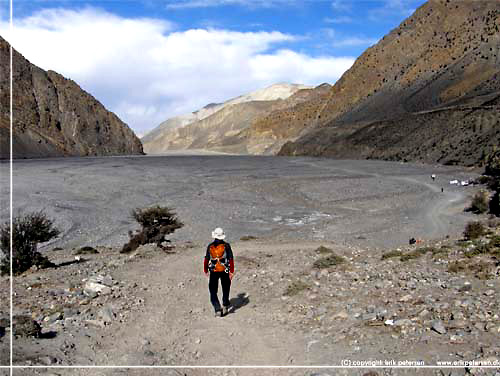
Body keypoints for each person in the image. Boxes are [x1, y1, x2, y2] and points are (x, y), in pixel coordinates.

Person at [204, 227, 234, 317]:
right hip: (224, 269)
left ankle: (217, 309)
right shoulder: (227, 246)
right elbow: (231, 259)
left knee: (213, 290)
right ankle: (225, 305)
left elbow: (206, 259)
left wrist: (205, 269)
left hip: (213, 270)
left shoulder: (210, 246)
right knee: (226, 288)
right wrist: (231, 271)